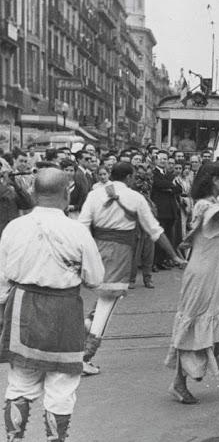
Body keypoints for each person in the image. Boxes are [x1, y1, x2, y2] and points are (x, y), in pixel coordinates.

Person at [0, 168, 105, 441]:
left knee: (20, 384)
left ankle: (13, 439)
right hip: (65, 311)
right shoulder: (77, 231)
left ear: (33, 192)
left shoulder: (14, 227)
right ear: (67, 192)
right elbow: (95, 278)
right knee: (61, 388)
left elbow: (1, 282)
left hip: (22, 307)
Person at [79, 162, 185, 376]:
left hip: (96, 250)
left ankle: (78, 336)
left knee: (102, 303)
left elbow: (82, 225)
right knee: (108, 304)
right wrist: (174, 256)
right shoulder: (136, 198)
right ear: (128, 177)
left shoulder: (95, 194)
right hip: (120, 253)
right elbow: (154, 231)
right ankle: (84, 356)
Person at [165, 163, 219, 404]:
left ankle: (196, 366)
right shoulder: (204, 204)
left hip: (217, 273)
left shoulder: (218, 204)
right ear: (213, 180)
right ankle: (180, 381)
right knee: (193, 324)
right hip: (201, 274)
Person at [151, 150, 181, 270]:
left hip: (170, 210)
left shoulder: (168, 174)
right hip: (160, 209)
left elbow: (179, 189)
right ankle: (154, 262)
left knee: (168, 236)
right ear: (156, 159)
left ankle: (162, 261)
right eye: (161, 158)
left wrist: (170, 187)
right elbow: (158, 184)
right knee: (158, 237)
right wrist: (171, 186)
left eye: (165, 159)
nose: (163, 161)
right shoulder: (154, 173)